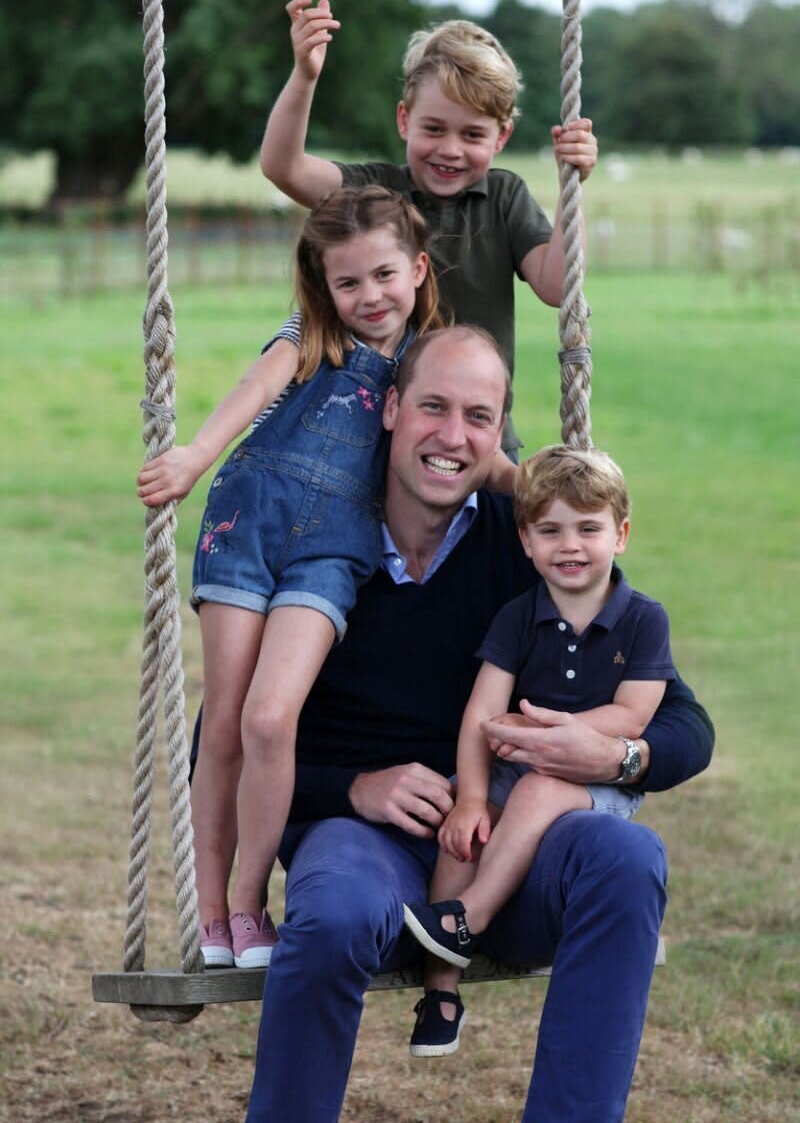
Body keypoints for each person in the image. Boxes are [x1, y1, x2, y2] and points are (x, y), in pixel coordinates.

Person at [242, 326, 714, 1123]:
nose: (452, 437)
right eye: (433, 407)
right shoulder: (316, 542)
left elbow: (684, 725)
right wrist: (354, 787)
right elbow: (221, 748)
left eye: (478, 416)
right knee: (332, 914)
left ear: (499, 436)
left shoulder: (526, 544)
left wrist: (614, 755)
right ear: (390, 409)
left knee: (625, 856)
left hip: (513, 847)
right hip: (370, 843)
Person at [137, 186, 450, 970]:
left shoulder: (427, 360)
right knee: (226, 723)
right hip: (248, 523)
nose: (368, 297)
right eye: (348, 283)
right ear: (325, 287)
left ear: (416, 268)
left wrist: (541, 489)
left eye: (383, 276)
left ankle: (249, 902)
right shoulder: (312, 333)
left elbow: (463, 443)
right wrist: (194, 456)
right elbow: (254, 391)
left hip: (334, 549)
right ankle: (212, 915)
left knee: (273, 720)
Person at [402, 444, 676, 1057]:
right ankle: (441, 989)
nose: (570, 545)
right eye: (550, 530)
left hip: (596, 777)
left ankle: (468, 915)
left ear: (621, 534)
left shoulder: (643, 621)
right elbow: (481, 713)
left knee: (539, 787)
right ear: (526, 541)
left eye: (588, 528)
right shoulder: (518, 617)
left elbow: (634, 714)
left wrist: (557, 737)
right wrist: (471, 799)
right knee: (461, 831)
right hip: (516, 761)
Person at [259, 0, 598, 456]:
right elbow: (285, 167)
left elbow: (558, 286)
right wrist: (305, 75)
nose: (451, 150)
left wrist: (570, 187)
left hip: (479, 440)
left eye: (473, 135)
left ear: (501, 138)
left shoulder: (504, 197)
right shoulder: (375, 192)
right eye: (434, 129)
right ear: (404, 120)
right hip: (377, 443)